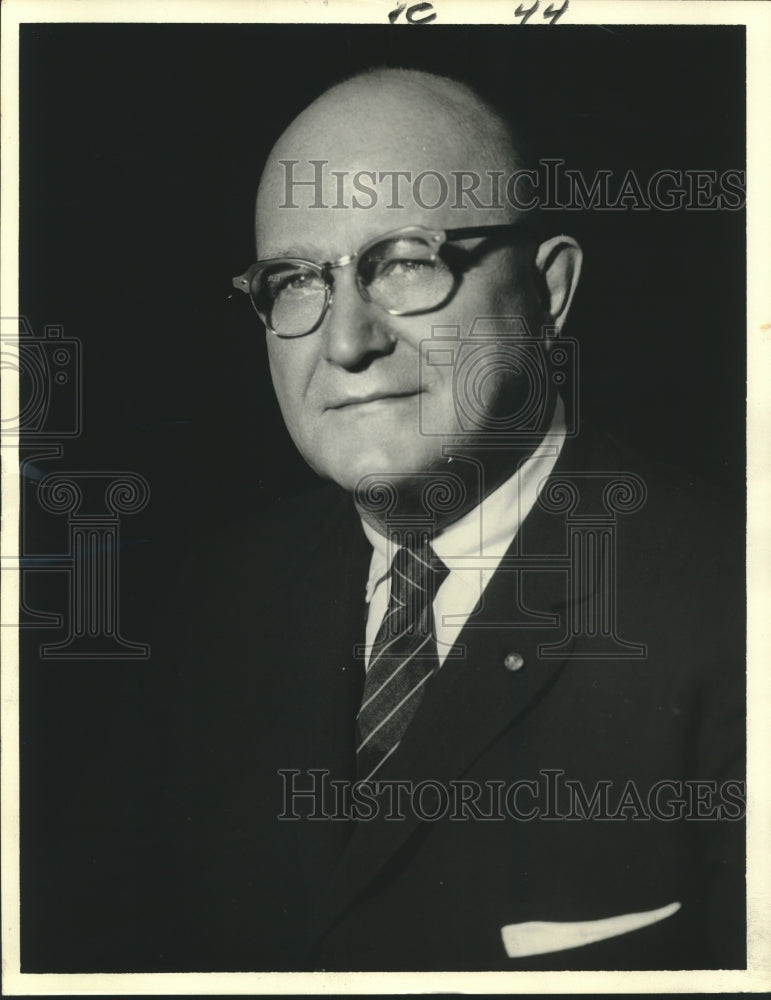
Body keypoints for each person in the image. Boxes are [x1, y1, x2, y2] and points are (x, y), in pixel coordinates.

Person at [162, 68, 744, 972]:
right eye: (293, 280)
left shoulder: (734, 609)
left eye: (403, 261)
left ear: (549, 290)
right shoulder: (210, 605)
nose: (346, 341)